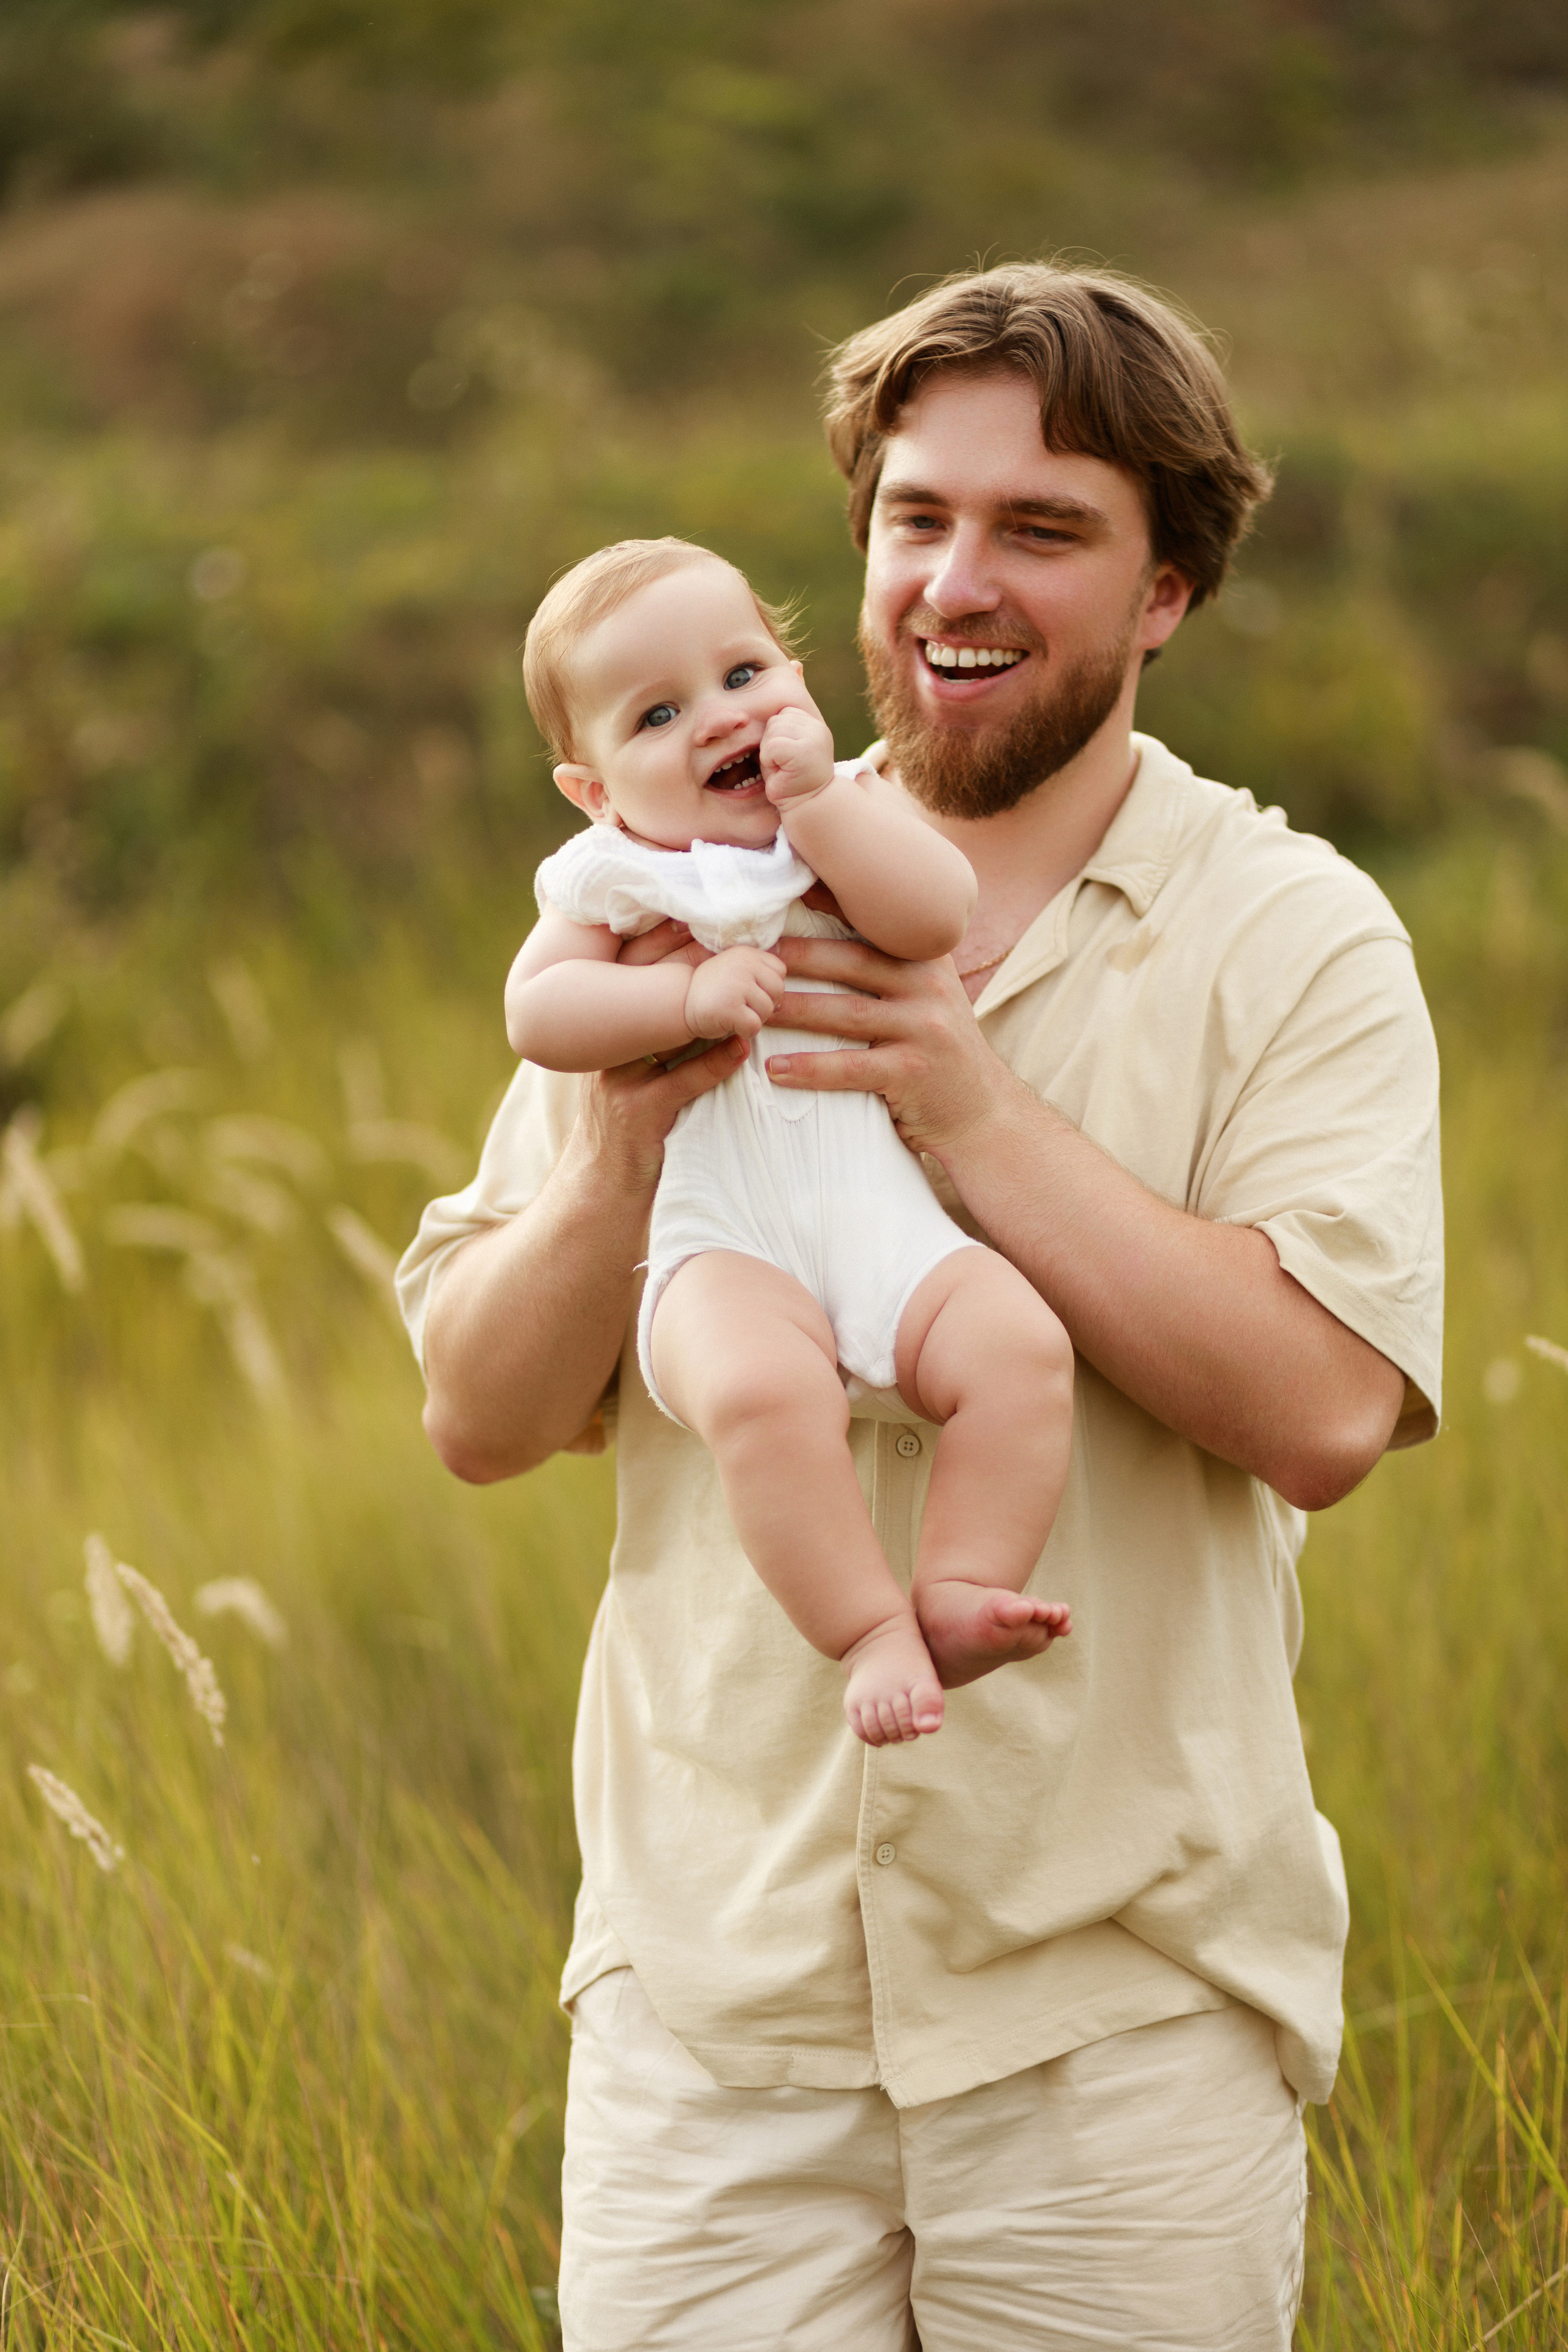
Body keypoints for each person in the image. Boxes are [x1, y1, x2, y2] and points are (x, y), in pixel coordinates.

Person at [398, 261, 1443, 2350]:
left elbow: (1327, 1409)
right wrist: (621, 1144)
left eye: (1046, 530)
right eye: (916, 517)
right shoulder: (669, 875)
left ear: (1165, 589)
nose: (959, 580)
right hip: (715, 2026)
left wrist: (964, 1109)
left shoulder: (1289, 933)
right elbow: (484, 1413)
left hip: (1119, 2024)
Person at [505, 537, 1074, 1745]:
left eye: (743, 674)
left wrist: (821, 808)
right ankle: (867, 1626)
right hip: (723, 1249)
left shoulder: (841, 822)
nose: (719, 719)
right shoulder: (610, 882)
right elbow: (538, 1013)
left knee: (1016, 1345)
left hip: (878, 1219)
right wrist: (673, 1006)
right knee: (766, 1401)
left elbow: (932, 917)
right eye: (657, 714)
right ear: (594, 789)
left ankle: (963, 1582)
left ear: (798, 682)